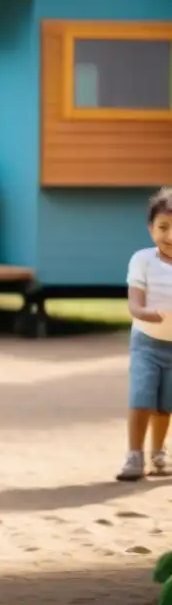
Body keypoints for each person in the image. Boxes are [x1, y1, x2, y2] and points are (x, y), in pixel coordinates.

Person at [117, 187, 172, 481]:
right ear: (151, 228)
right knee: (142, 397)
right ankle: (134, 455)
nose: (170, 236)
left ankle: (158, 454)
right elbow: (135, 300)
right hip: (146, 343)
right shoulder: (143, 260)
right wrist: (142, 312)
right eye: (163, 227)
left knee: (166, 404)